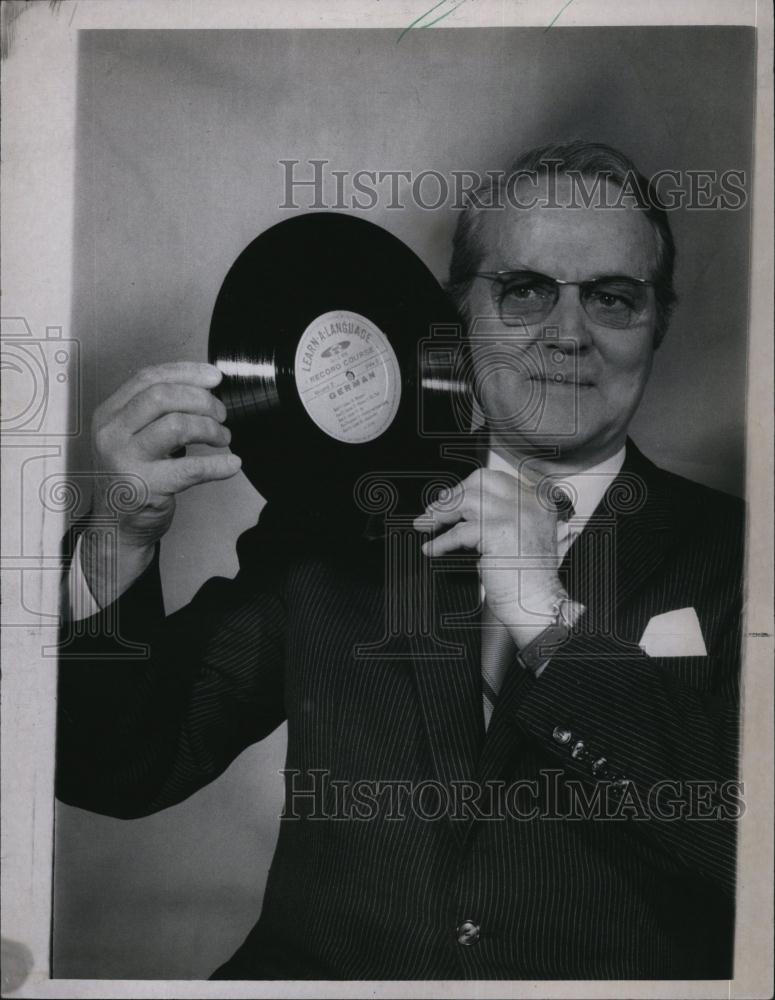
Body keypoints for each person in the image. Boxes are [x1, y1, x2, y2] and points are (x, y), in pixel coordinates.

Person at [56, 141, 744, 980]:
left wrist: (548, 622)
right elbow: (119, 769)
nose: (568, 335)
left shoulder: (741, 555)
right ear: (457, 317)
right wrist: (120, 538)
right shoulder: (338, 518)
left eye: (612, 298)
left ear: (656, 325)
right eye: (523, 290)